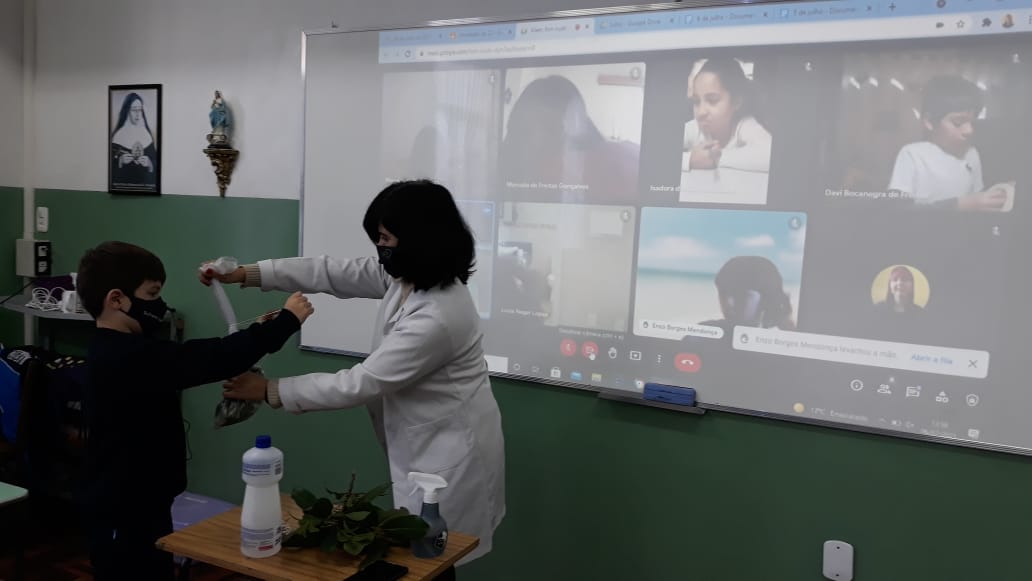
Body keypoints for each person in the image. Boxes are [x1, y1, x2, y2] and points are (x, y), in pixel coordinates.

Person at [202, 180, 506, 578]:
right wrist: (247, 273)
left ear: (418, 240)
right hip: (428, 442)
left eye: (386, 238)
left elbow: (361, 383)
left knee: (431, 558)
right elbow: (332, 272)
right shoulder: (408, 278)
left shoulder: (439, 314)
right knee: (423, 552)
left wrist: (269, 390)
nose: (380, 249)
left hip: (448, 454)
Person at [77, 241, 312, 581]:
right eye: (152, 293)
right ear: (116, 299)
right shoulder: (122, 357)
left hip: (143, 498)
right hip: (122, 505)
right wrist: (285, 322)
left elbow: (202, 357)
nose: (160, 305)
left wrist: (261, 329)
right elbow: (210, 358)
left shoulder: (126, 349)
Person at [500, 74, 639, 202]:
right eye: (525, 130)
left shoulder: (615, 163)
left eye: (552, 128)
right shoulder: (507, 170)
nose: (536, 140)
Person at [888, 75, 1010, 210]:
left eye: (973, 122)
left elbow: (977, 198)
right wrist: (960, 204)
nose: (969, 130)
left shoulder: (971, 153)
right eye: (958, 122)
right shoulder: (912, 154)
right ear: (929, 121)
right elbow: (898, 209)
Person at [682, 57, 772, 174]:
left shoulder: (744, 125)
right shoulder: (694, 128)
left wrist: (715, 157)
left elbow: (769, 154)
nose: (701, 112)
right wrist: (690, 160)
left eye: (712, 100)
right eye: (696, 101)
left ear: (736, 101)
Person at [698, 256, 795, 334]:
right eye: (723, 294)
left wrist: (784, 322)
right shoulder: (705, 333)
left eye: (739, 295)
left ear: (767, 299)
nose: (729, 304)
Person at [110, 92, 158, 190]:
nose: (138, 114)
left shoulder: (146, 134)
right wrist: (120, 161)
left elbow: (155, 161)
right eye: (134, 110)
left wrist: (149, 163)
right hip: (124, 187)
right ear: (127, 111)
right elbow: (110, 167)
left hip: (145, 188)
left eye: (140, 110)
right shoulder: (118, 136)